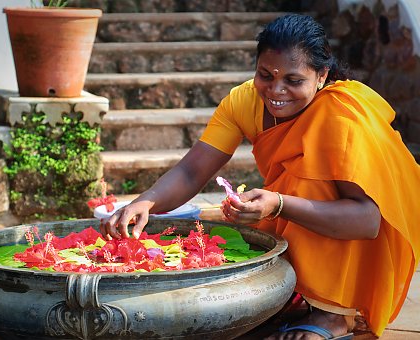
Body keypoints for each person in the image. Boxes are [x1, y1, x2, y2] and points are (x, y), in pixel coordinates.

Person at [102, 14, 420, 339]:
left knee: (300, 182)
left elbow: (367, 220)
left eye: (294, 81)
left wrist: (279, 203)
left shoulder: (339, 115)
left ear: (321, 76)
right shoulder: (244, 101)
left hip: (378, 229)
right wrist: (145, 202)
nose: (276, 90)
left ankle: (334, 312)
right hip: (317, 217)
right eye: (265, 75)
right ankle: (300, 296)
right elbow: (192, 169)